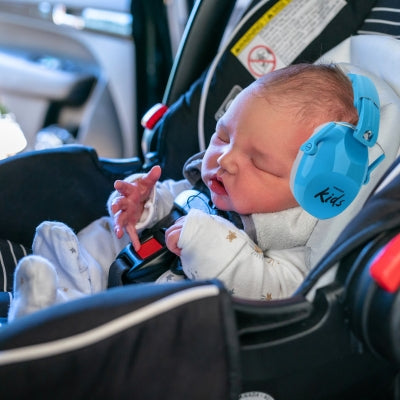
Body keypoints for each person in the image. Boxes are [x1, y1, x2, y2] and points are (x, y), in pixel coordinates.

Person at [8, 63, 358, 321]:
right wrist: (142, 204)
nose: (226, 159)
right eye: (223, 137)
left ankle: (50, 315)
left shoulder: (292, 242)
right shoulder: (208, 184)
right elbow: (175, 197)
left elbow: (275, 290)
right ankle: (55, 295)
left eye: (258, 161)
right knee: (97, 235)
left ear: (310, 187)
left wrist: (208, 242)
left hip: (154, 318)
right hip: (112, 276)